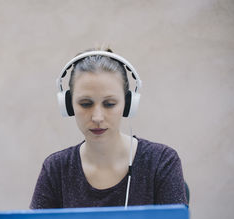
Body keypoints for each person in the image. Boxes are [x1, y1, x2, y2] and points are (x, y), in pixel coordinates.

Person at [30, 47, 187, 209]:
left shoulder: (161, 162)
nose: (97, 117)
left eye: (110, 104)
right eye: (85, 104)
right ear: (68, 105)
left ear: (128, 104)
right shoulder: (55, 169)